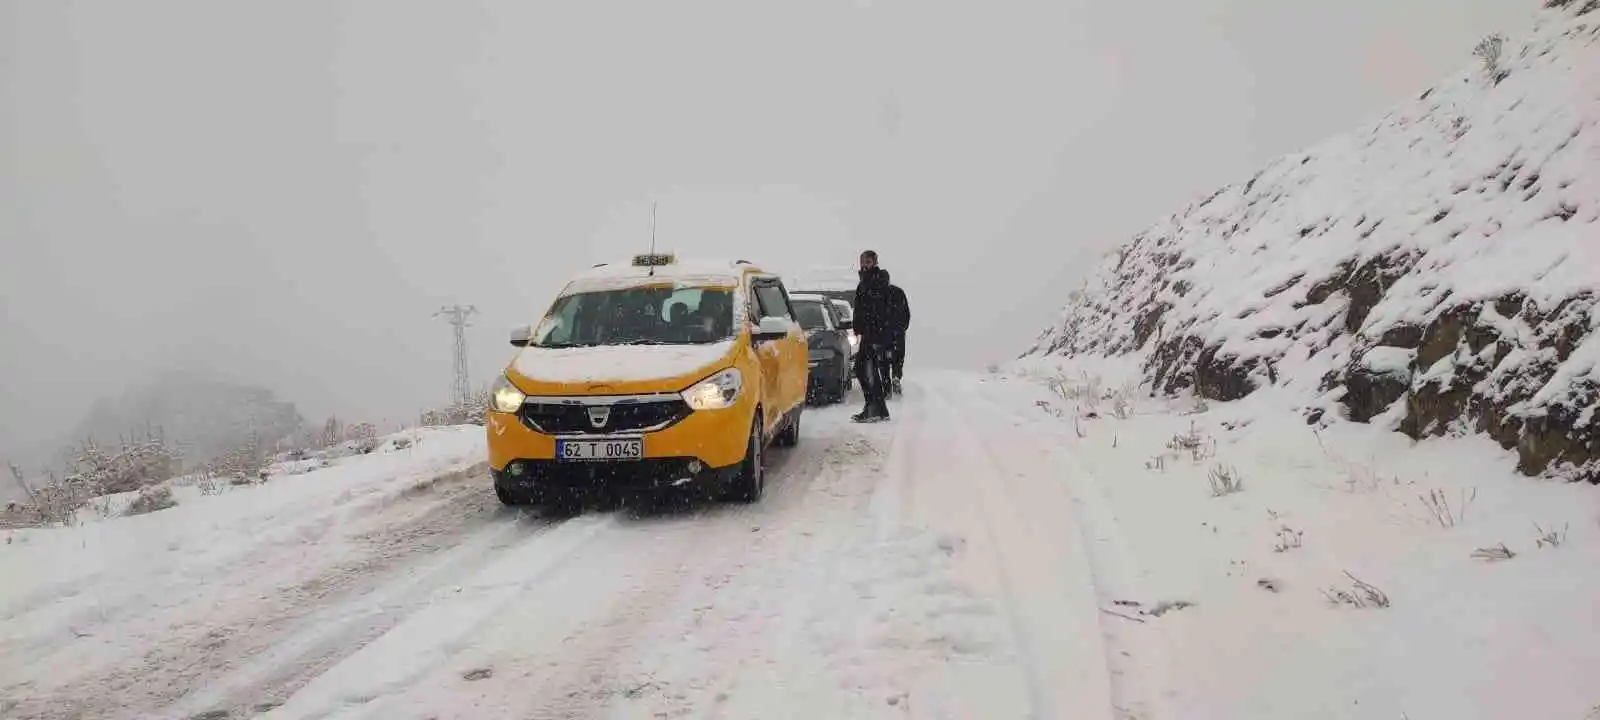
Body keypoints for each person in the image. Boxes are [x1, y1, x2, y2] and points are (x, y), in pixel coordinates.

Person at [851, 250, 894, 422]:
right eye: (862, 261)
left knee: (863, 370)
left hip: (876, 332)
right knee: (868, 370)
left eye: (868, 261)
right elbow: (860, 306)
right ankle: (879, 409)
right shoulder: (865, 280)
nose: (864, 264)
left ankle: (873, 407)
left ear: (874, 262)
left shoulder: (878, 278)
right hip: (868, 332)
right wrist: (857, 326)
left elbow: (875, 303)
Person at [885, 281, 910, 396]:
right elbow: (906, 313)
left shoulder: (879, 293)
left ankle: (886, 382)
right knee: (898, 356)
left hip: (884, 332)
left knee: (883, 357)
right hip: (898, 331)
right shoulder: (899, 292)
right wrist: (902, 328)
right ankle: (896, 376)